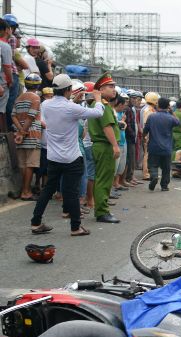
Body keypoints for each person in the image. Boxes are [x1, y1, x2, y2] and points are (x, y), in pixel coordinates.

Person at [30, 74, 104, 236]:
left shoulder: (46, 104)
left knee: (48, 190)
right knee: (72, 192)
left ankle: (35, 222)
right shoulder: (71, 108)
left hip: (53, 157)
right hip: (71, 158)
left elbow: (62, 110)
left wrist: (73, 101)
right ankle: (75, 227)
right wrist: (98, 99)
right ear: (68, 90)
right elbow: (98, 113)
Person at [87, 72, 121, 223]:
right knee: (104, 180)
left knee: (102, 178)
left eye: (113, 86)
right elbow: (107, 127)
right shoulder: (103, 106)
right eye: (110, 86)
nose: (113, 89)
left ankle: (101, 209)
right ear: (101, 90)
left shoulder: (99, 105)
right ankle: (102, 212)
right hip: (105, 145)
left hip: (101, 145)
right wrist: (115, 145)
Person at [12, 73, 43, 201]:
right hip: (32, 134)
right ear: (38, 85)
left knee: (23, 164)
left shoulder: (19, 98)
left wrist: (20, 131)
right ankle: (26, 192)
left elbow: (13, 116)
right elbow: (31, 116)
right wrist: (23, 131)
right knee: (30, 164)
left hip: (20, 135)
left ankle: (24, 190)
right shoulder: (35, 98)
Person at [143, 97, 180, 191]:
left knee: (153, 165)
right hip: (166, 148)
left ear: (158, 105)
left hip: (154, 146)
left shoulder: (152, 116)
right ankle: (164, 186)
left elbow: (145, 130)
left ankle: (154, 176)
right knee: (166, 168)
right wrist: (171, 112)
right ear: (168, 106)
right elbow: (178, 122)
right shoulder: (170, 118)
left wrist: (144, 138)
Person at [141, 92, 159, 180]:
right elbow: (147, 124)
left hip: (149, 135)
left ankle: (149, 173)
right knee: (147, 155)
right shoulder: (148, 110)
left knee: (148, 154)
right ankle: (146, 174)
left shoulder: (148, 108)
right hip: (148, 136)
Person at [0, 18, 13, 133]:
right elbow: (7, 67)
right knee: (1, 110)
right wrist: (10, 80)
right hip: (2, 83)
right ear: (6, 30)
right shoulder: (5, 46)